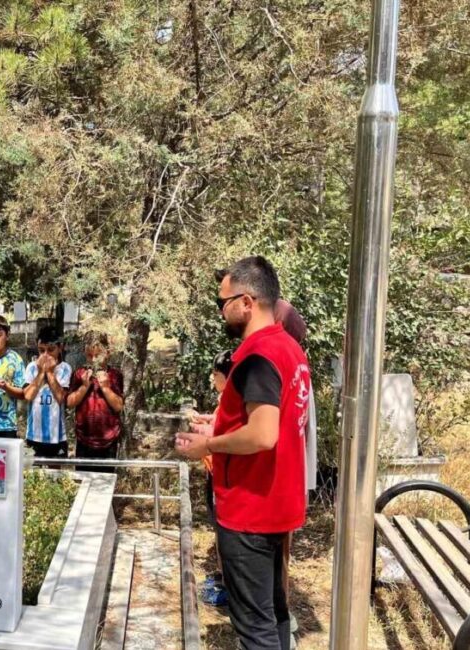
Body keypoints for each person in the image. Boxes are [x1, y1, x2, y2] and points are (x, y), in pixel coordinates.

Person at [176, 256, 311, 650]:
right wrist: (218, 426)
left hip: (249, 510)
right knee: (275, 613)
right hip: (277, 505)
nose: (221, 311)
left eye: (224, 303)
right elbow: (277, 423)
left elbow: (263, 434)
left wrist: (208, 445)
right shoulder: (289, 349)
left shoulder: (256, 356)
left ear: (248, 302)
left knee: (254, 627)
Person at [189, 350, 233, 607]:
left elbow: (223, 433)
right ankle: (222, 576)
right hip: (213, 469)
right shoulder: (224, 399)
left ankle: (228, 586)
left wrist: (200, 430)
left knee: (222, 527)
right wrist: (205, 419)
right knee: (218, 526)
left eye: (215, 374)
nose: (212, 378)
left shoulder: (233, 401)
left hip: (221, 471)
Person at [67, 331, 124, 471]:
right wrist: (85, 386)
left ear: (108, 353)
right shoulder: (79, 374)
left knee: (106, 481)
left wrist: (105, 387)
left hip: (108, 439)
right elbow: (69, 402)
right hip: (84, 439)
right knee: (83, 480)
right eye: (89, 355)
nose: (93, 360)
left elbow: (118, 406)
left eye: (98, 356)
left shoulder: (114, 375)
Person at [23, 326, 73, 457]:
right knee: (32, 473)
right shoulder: (32, 367)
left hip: (57, 436)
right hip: (34, 434)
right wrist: (40, 373)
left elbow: (61, 397)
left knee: (56, 474)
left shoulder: (65, 369)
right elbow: (28, 396)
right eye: (41, 350)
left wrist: (50, 372)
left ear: (60, 347)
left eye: (50, 350)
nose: (45, 355)